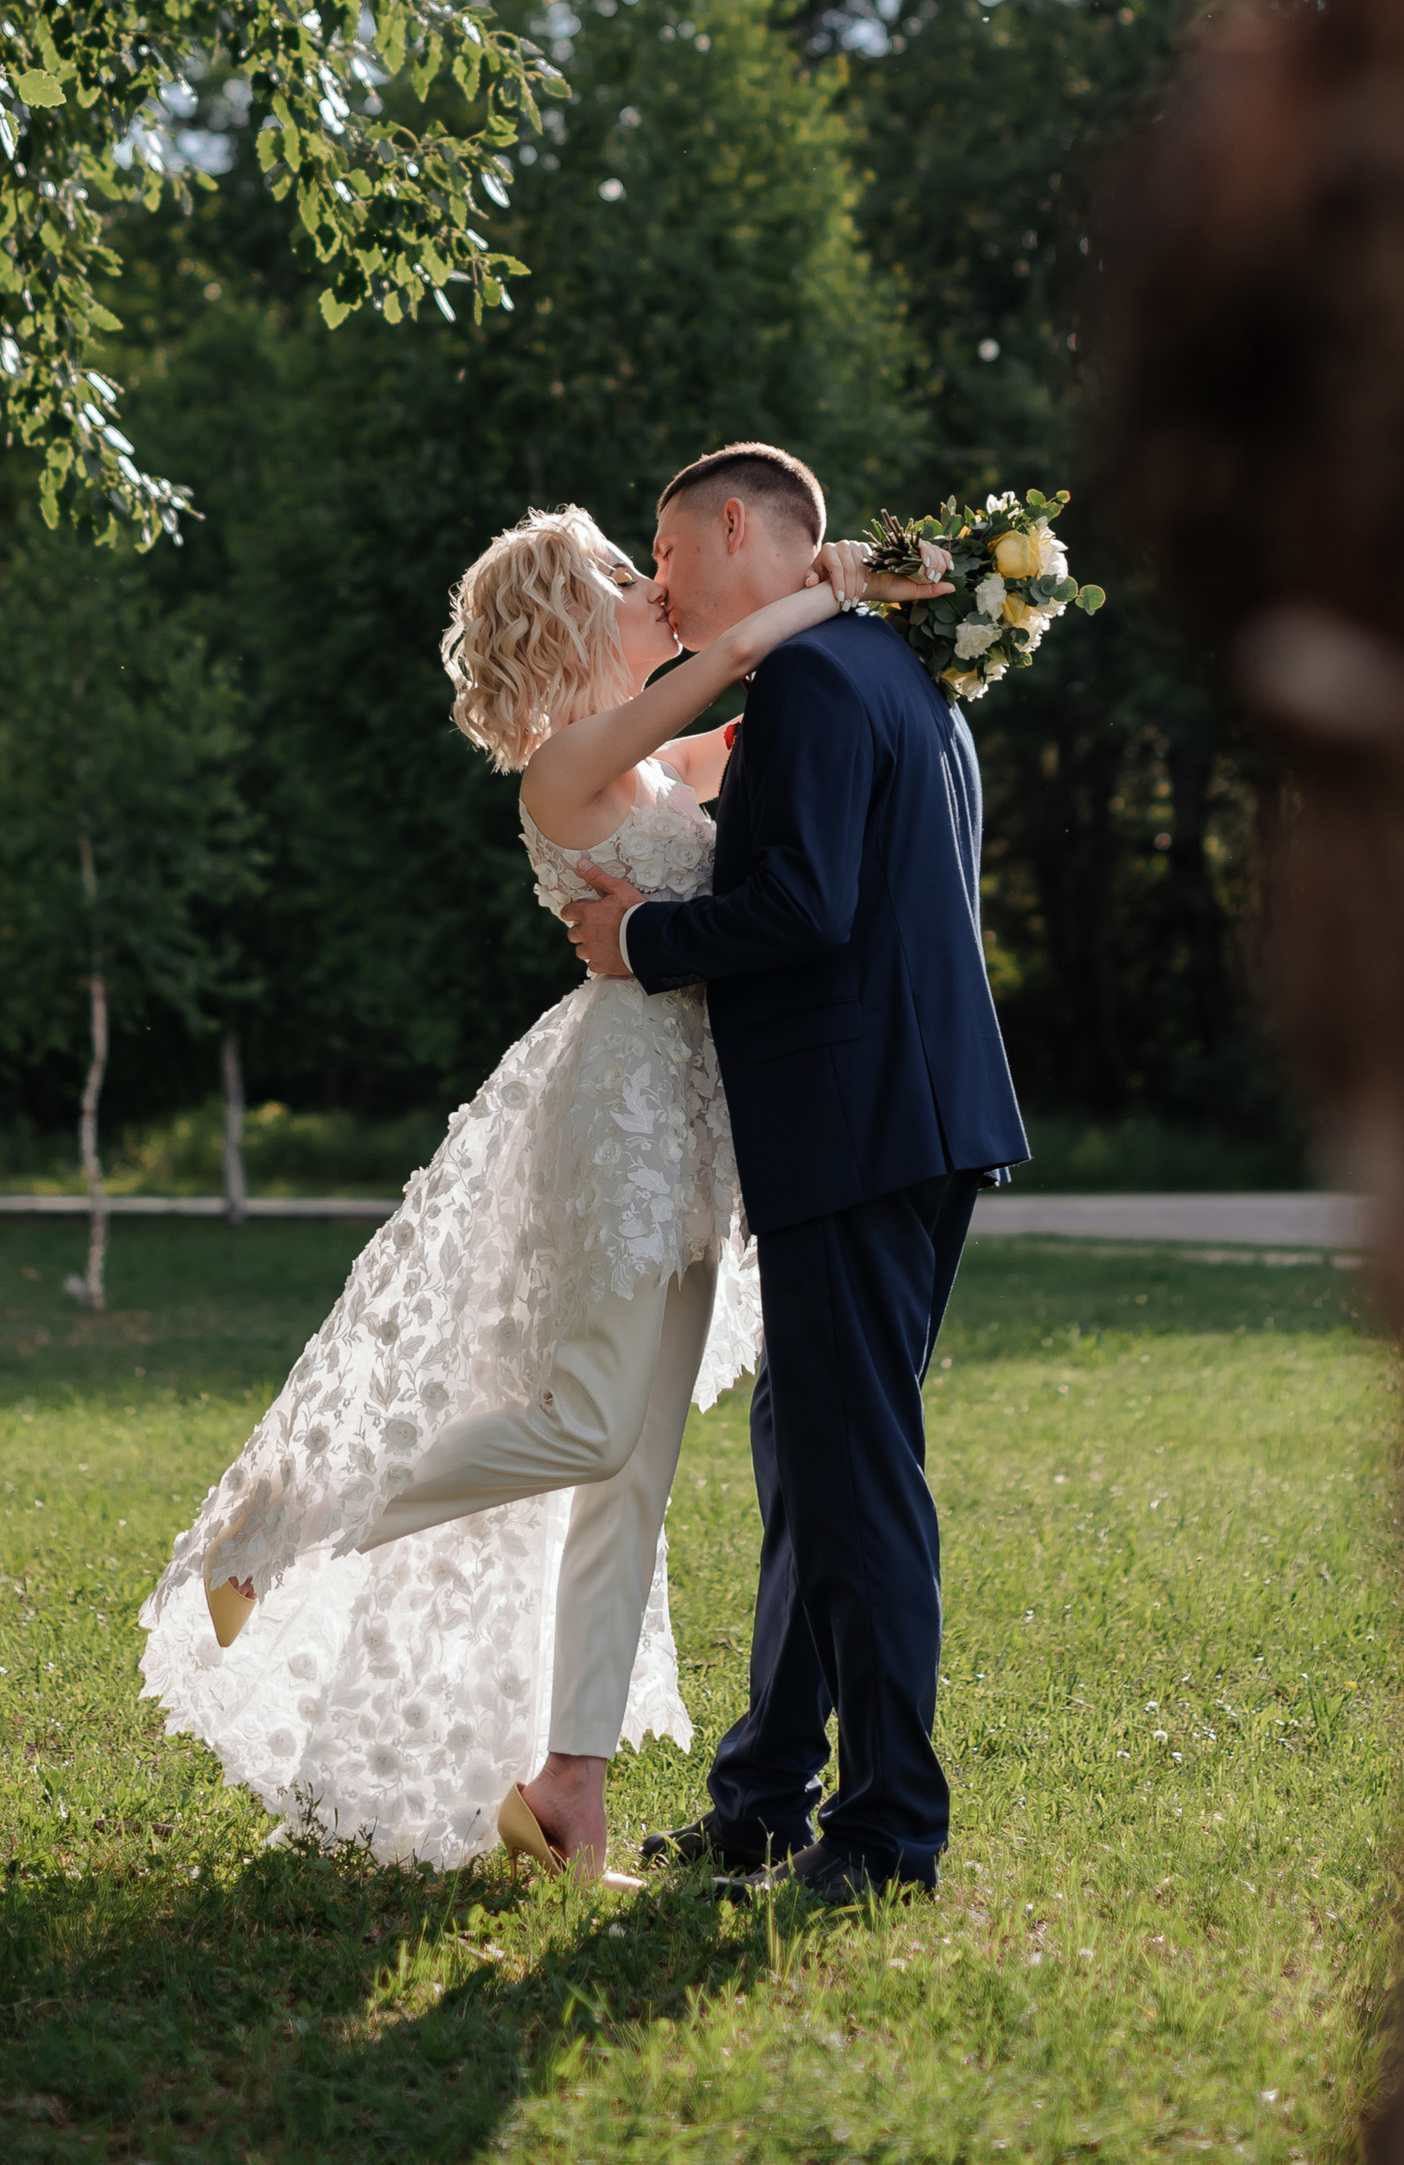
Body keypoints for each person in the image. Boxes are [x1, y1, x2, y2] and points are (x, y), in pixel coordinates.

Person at [136, 499, 925, 1874]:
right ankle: (285, 1521)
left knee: (634, 1478)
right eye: (622, 571)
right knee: (586, 1426)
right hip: (621, 1108)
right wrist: (838, 579)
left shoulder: (651, 762)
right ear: (566, 618)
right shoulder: (568, 766)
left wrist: (917, 616)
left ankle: (569, 1799)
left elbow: (768, 732)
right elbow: (737, 659)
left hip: (697, 1120)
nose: (649, 585)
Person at [561, 439, 1030, 1910]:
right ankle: (765, 1795)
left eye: (665, 548)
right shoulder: (896, 672)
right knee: (811, 1459)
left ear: (736, 523)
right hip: (911, 1115)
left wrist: (640, 938)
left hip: (857, 1121)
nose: (663, 580)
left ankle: (888, 1830)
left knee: (853, 1478)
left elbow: (807, 906)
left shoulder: (818, 682)